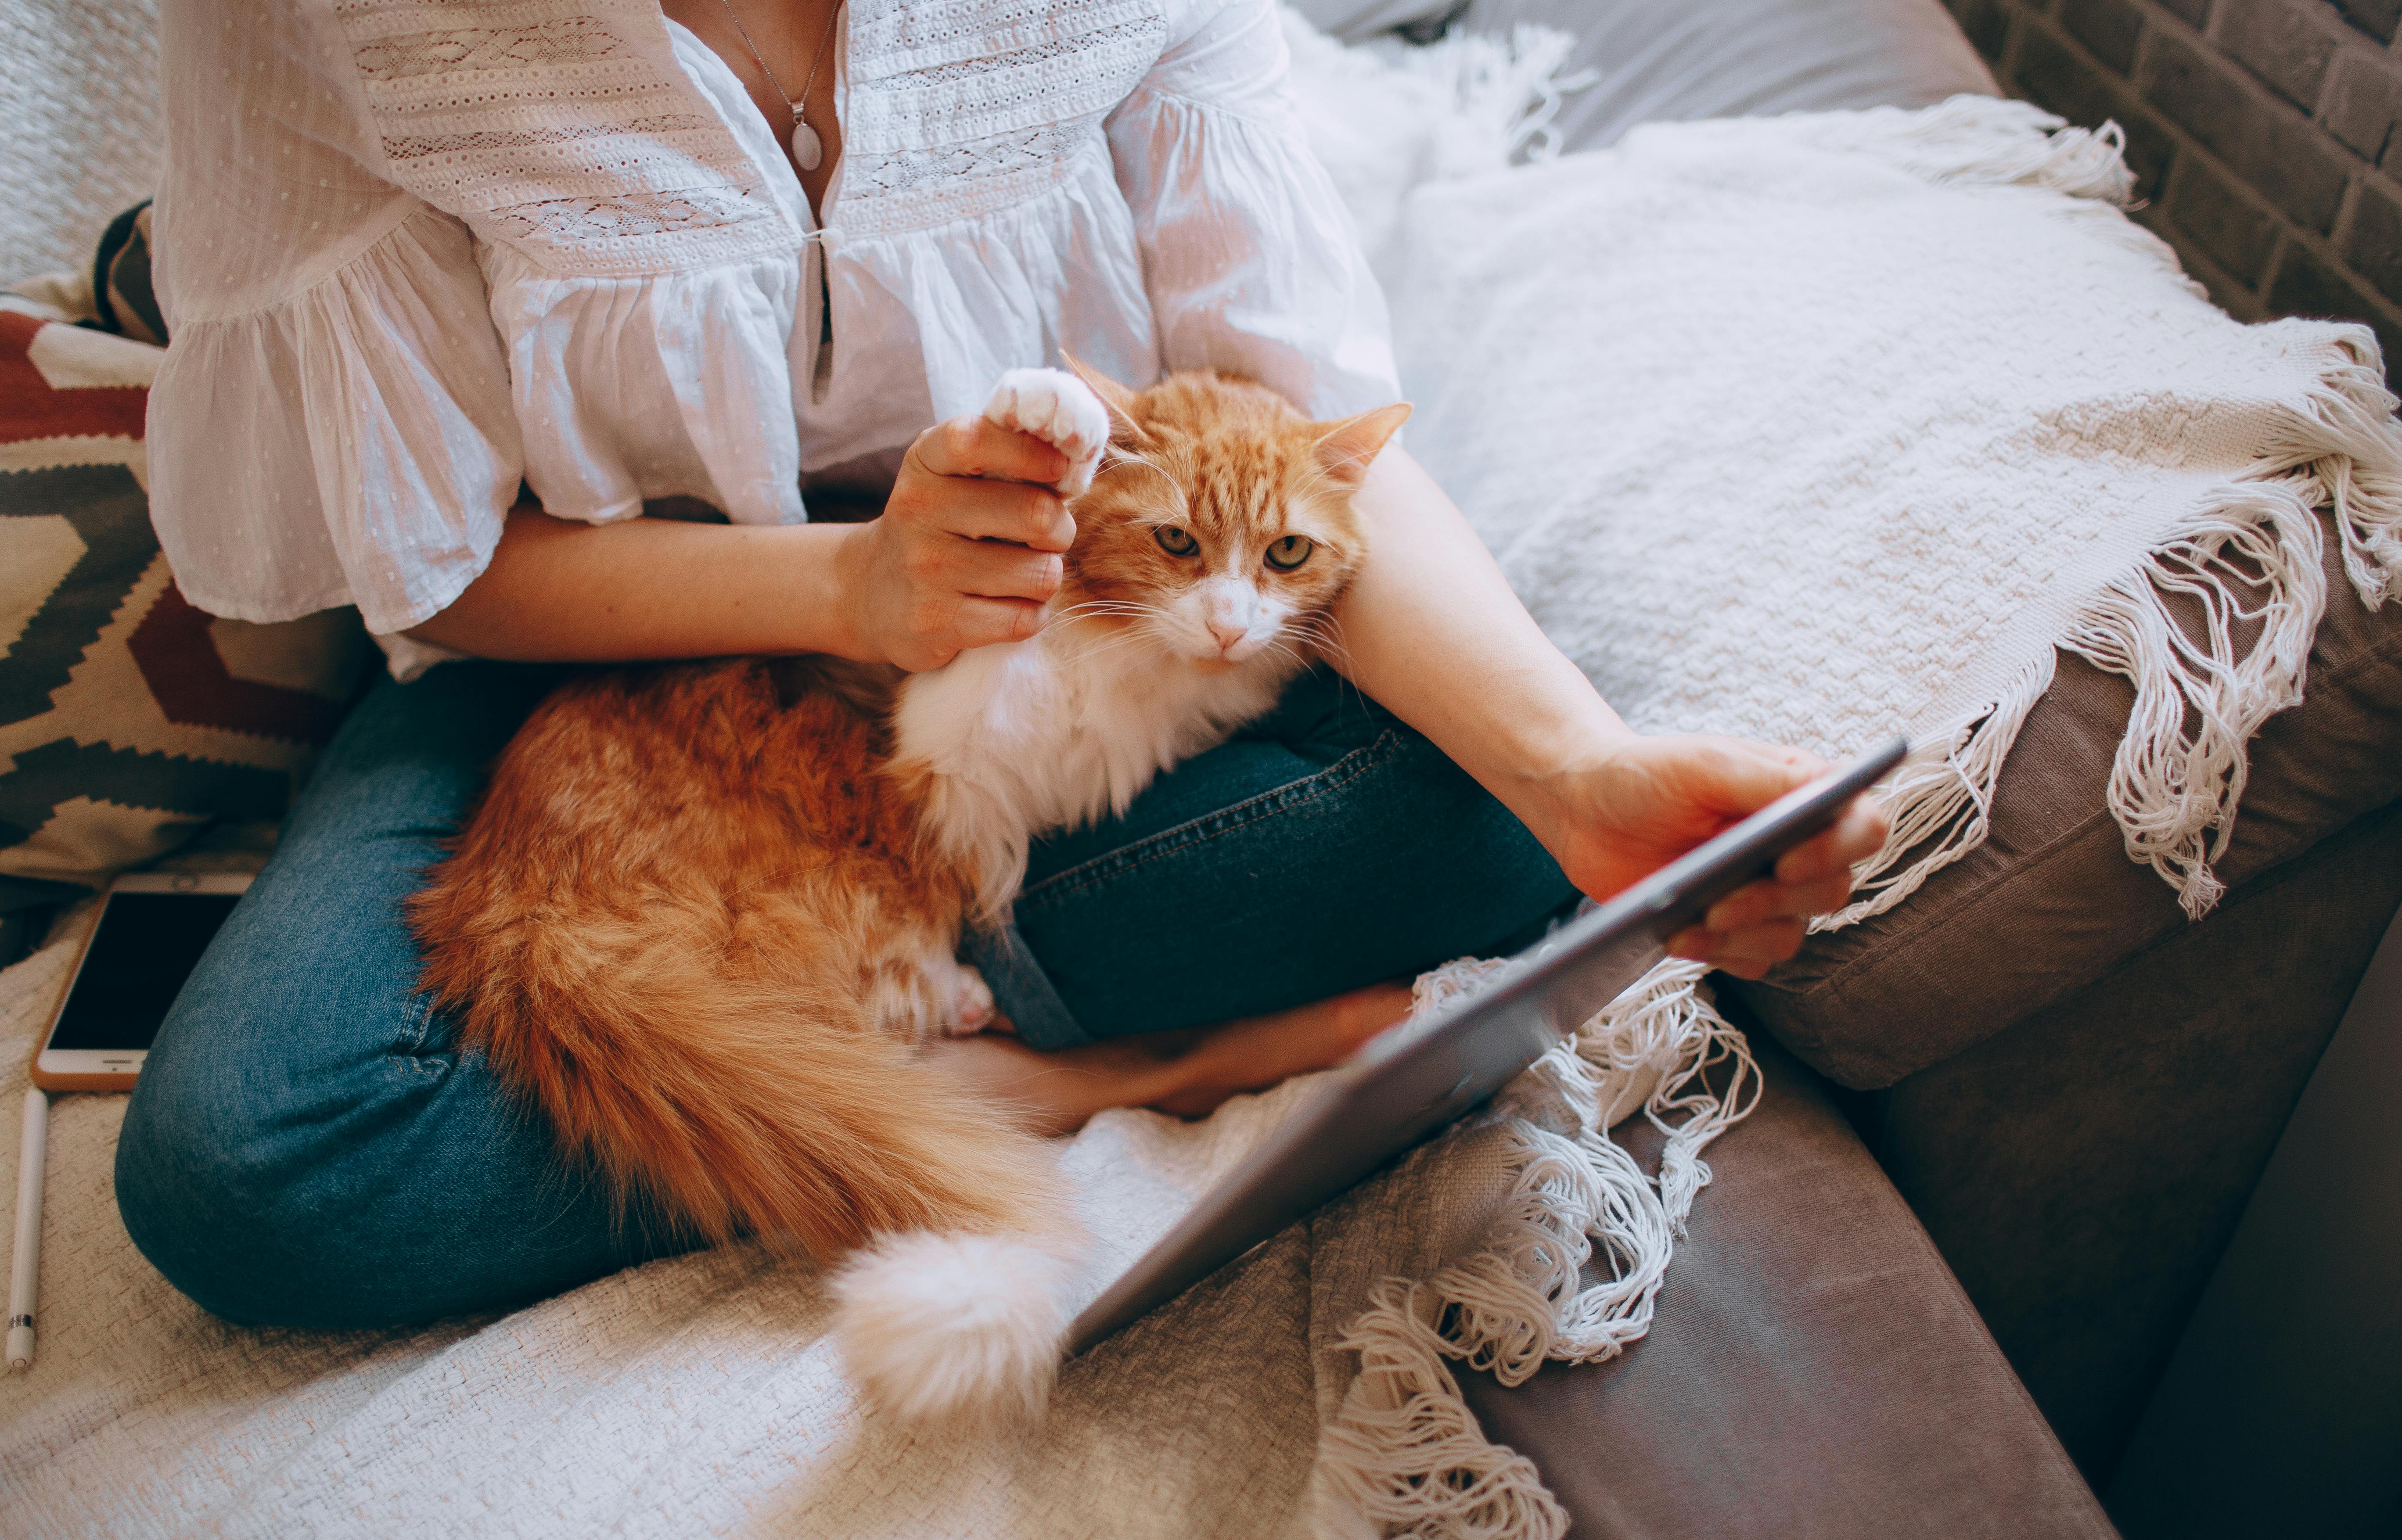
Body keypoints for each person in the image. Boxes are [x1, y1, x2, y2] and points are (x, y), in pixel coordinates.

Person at [113, 0, 1885, 1328]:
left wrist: (1576, 772)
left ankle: (901, 1035)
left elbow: (1307, 433)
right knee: (251, 1167)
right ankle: (1082, 1070)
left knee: (1505, 835)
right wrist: (849, 585)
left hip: (1081, 612)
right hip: (582, 641)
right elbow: (444, 565)